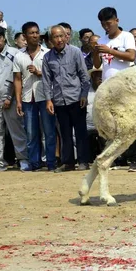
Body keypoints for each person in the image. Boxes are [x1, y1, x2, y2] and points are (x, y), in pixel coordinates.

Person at [92, 7, 136, 172]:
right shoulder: (102, 41)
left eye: (109, 23)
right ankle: (117, 158)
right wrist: (95, 51)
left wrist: (110, 51)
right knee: (112, 124)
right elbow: (97, 65)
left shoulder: (126, 36)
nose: (106, 27)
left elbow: (131, 57)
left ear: (116, 21)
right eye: (103, 24)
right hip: (108, 87)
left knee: (130, 122)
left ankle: (135, 159)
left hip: (126, 86)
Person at [42, 25, 91, 172]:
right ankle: (68, 162)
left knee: (81, 132)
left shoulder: (75, 52)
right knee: (65, 133)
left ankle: (83, 161)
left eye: (61, 36)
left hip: (76, 99)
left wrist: (84, 94)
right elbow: (46, 81)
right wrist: (48, 100)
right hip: (59, 100)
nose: (59, 40)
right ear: (51, 39)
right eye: (55, 37)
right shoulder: (47, 57)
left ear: (66, 37)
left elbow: (84, 76)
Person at [13, 22, 57, 171]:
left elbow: (54, 76)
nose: (35, 35)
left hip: (45, 96)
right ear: (24, 36)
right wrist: (18, 101)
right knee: (31, 133)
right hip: (27, 98)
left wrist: (39, 73)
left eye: (37, 32)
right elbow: (17, 79)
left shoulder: (47, 53)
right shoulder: (19, 56)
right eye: (31, 33)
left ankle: (51, 163)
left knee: (49, 132)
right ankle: (34, 163)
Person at [0, 25, 29, 172]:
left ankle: (23, 159)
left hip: (10, 100)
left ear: (4, 37)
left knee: (17, 130)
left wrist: (10, 97)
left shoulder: (15, 53)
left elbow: (17, 77)